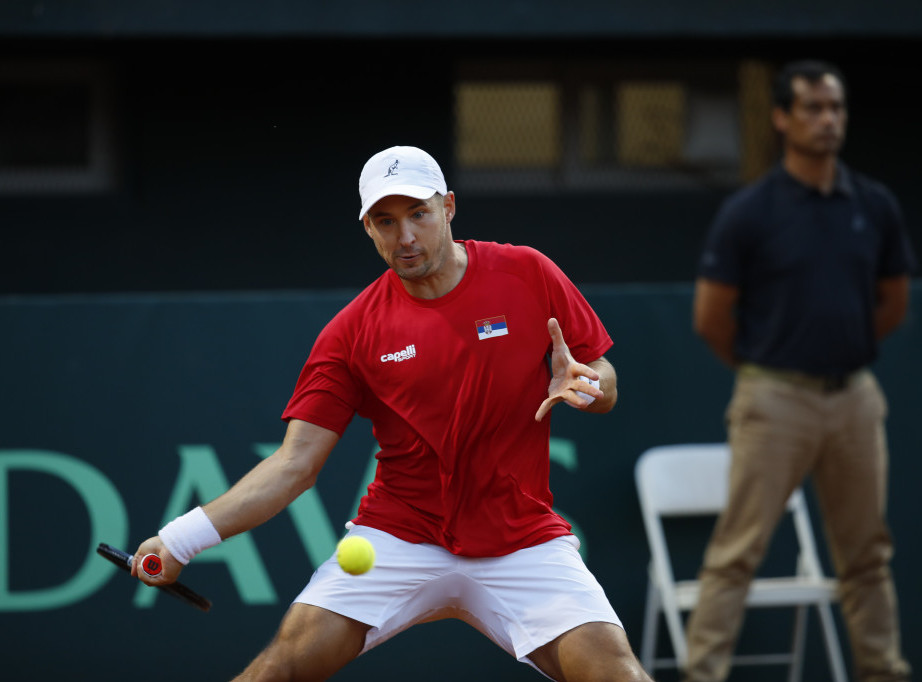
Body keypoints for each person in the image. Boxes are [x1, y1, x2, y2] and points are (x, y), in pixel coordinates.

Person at [132, 145, 653, 682]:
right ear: (368, 228)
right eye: (386, 220)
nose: (405, 237)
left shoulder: (527, 272)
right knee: (282, 666)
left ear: (448, 207)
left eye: (418, 214)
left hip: (522, 539)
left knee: (617, 674)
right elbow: (294, 465)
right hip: (398, 538)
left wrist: (588, 386)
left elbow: (600, 375)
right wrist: (179, 539)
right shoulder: (351, 332)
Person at [686, 60, 915, 682]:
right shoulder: (750, 212)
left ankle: (882, 670)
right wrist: (765, 374)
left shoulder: (874, 203)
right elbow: (712, 316)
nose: (827, 120)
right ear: (782, 119)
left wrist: (843, 352)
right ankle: (702, 674)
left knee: (867, 554)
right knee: (737, 554)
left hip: (855, 399)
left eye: (836, 107)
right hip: (773, 399)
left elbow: (894, 298)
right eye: (813, 108)